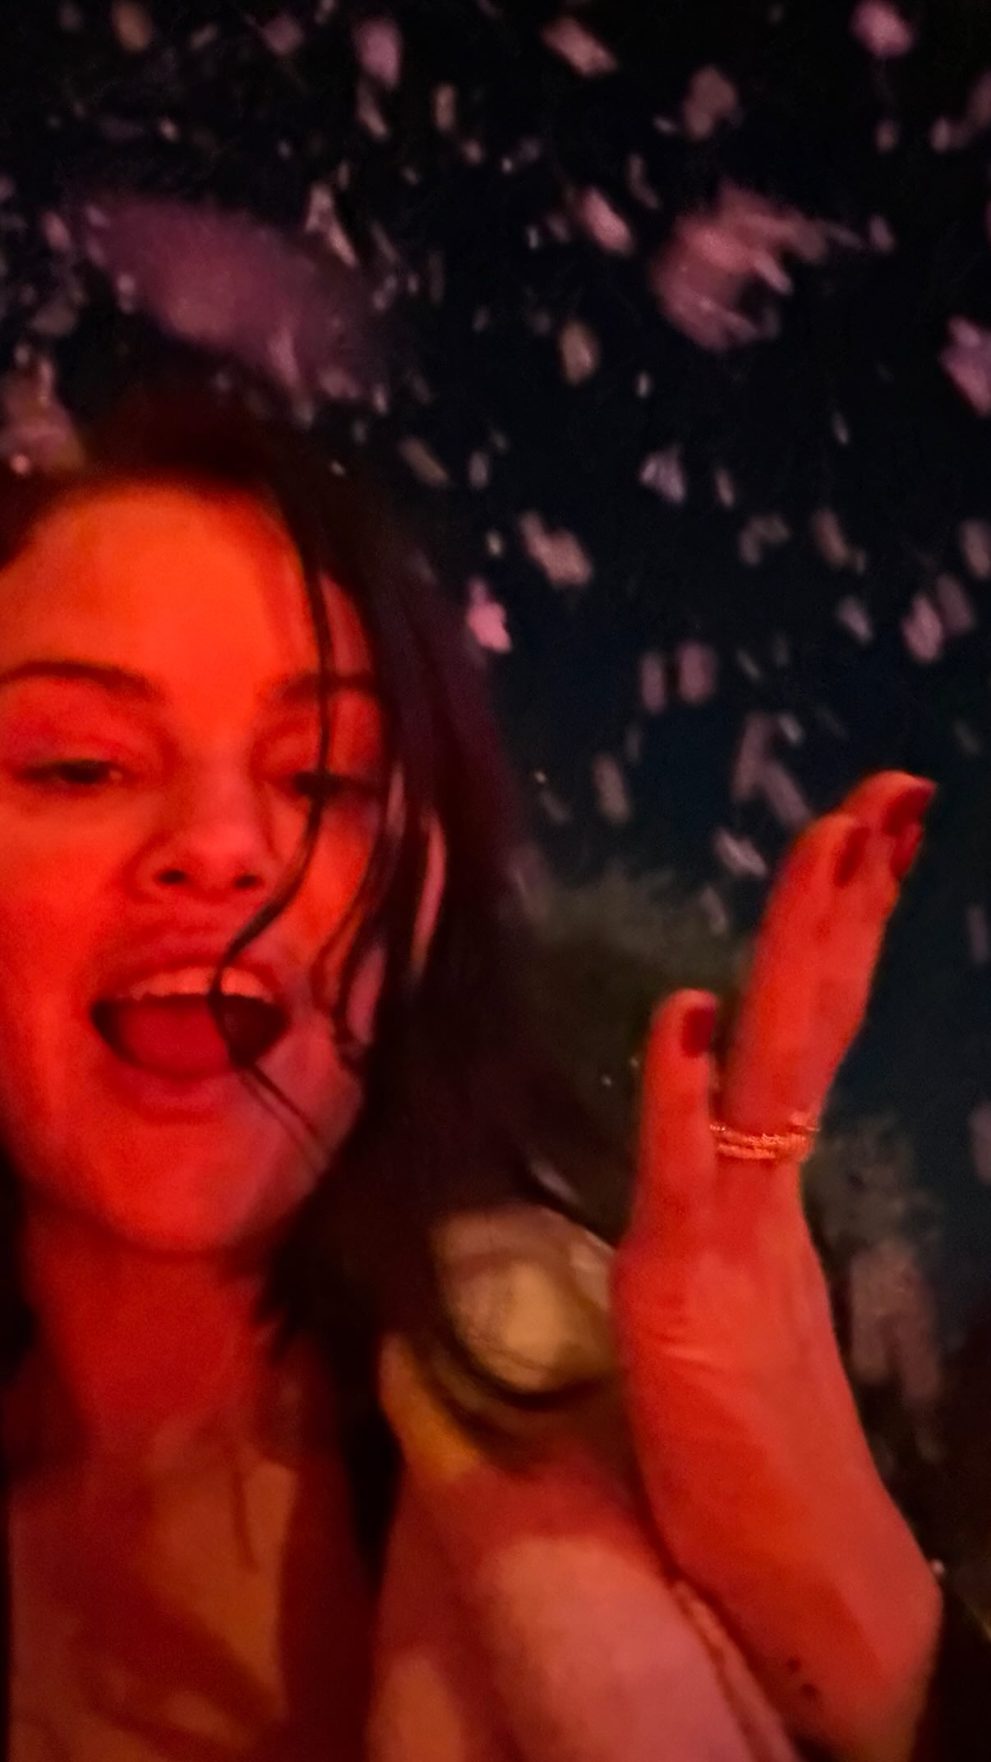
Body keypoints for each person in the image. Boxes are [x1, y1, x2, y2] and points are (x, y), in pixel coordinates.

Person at [0, 376, 982, 1762]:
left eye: (325, 781)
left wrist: (846, 1588)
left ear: (422, 908)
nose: (222, 849)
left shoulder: (586, 1431)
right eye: (80, 765)